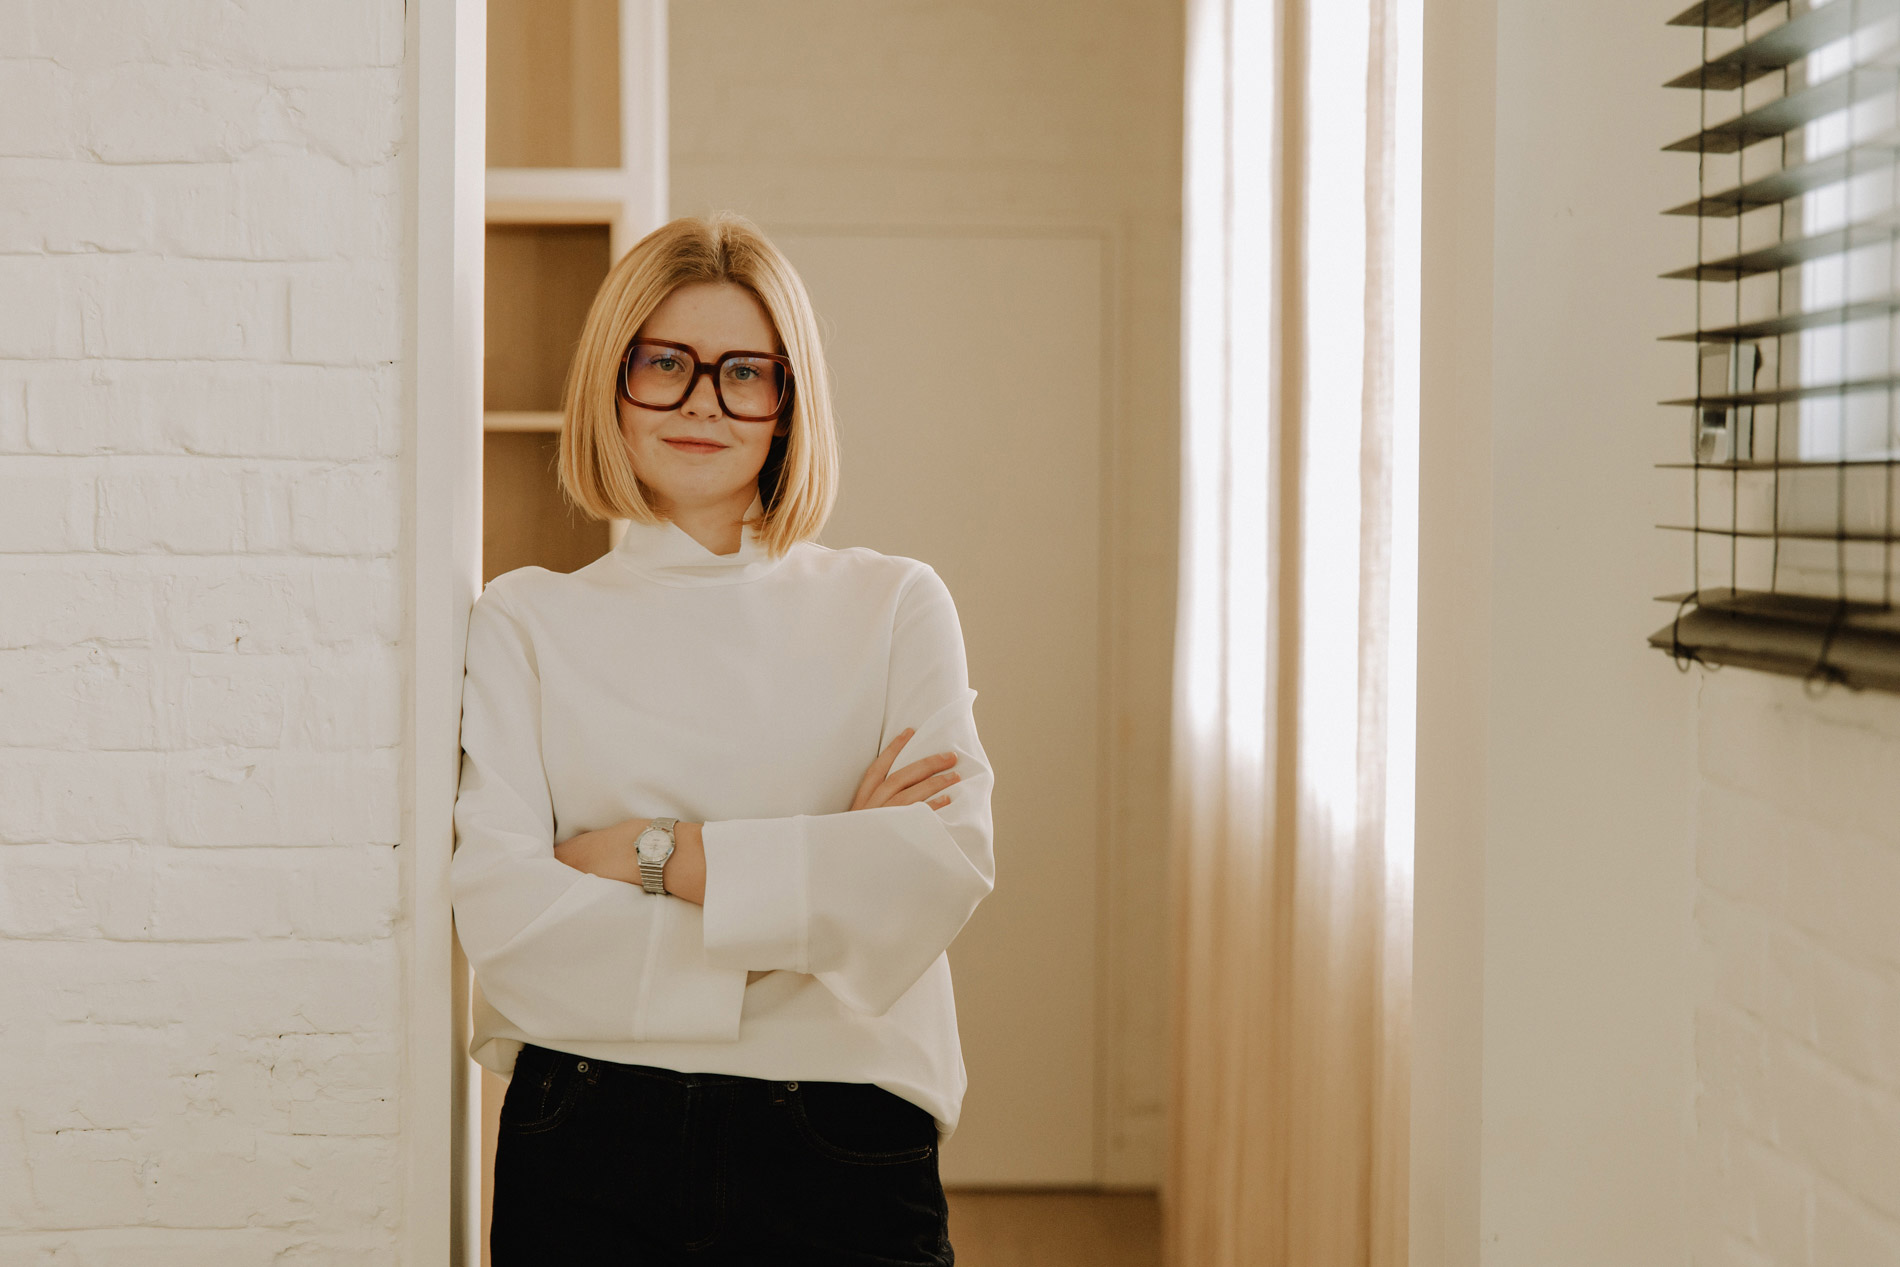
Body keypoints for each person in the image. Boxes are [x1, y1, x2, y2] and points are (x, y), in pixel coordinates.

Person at [451, 211, 995, 1266]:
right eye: (666, 363)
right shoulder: (521, 620)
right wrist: (820, 896)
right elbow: (508, 929)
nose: (704, 400)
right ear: (612, 381)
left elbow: (937, 869)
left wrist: (646, 853)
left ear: (789, 404)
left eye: (747, 371)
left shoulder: (893, 605)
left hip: (841, 1135)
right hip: (589, 1133)